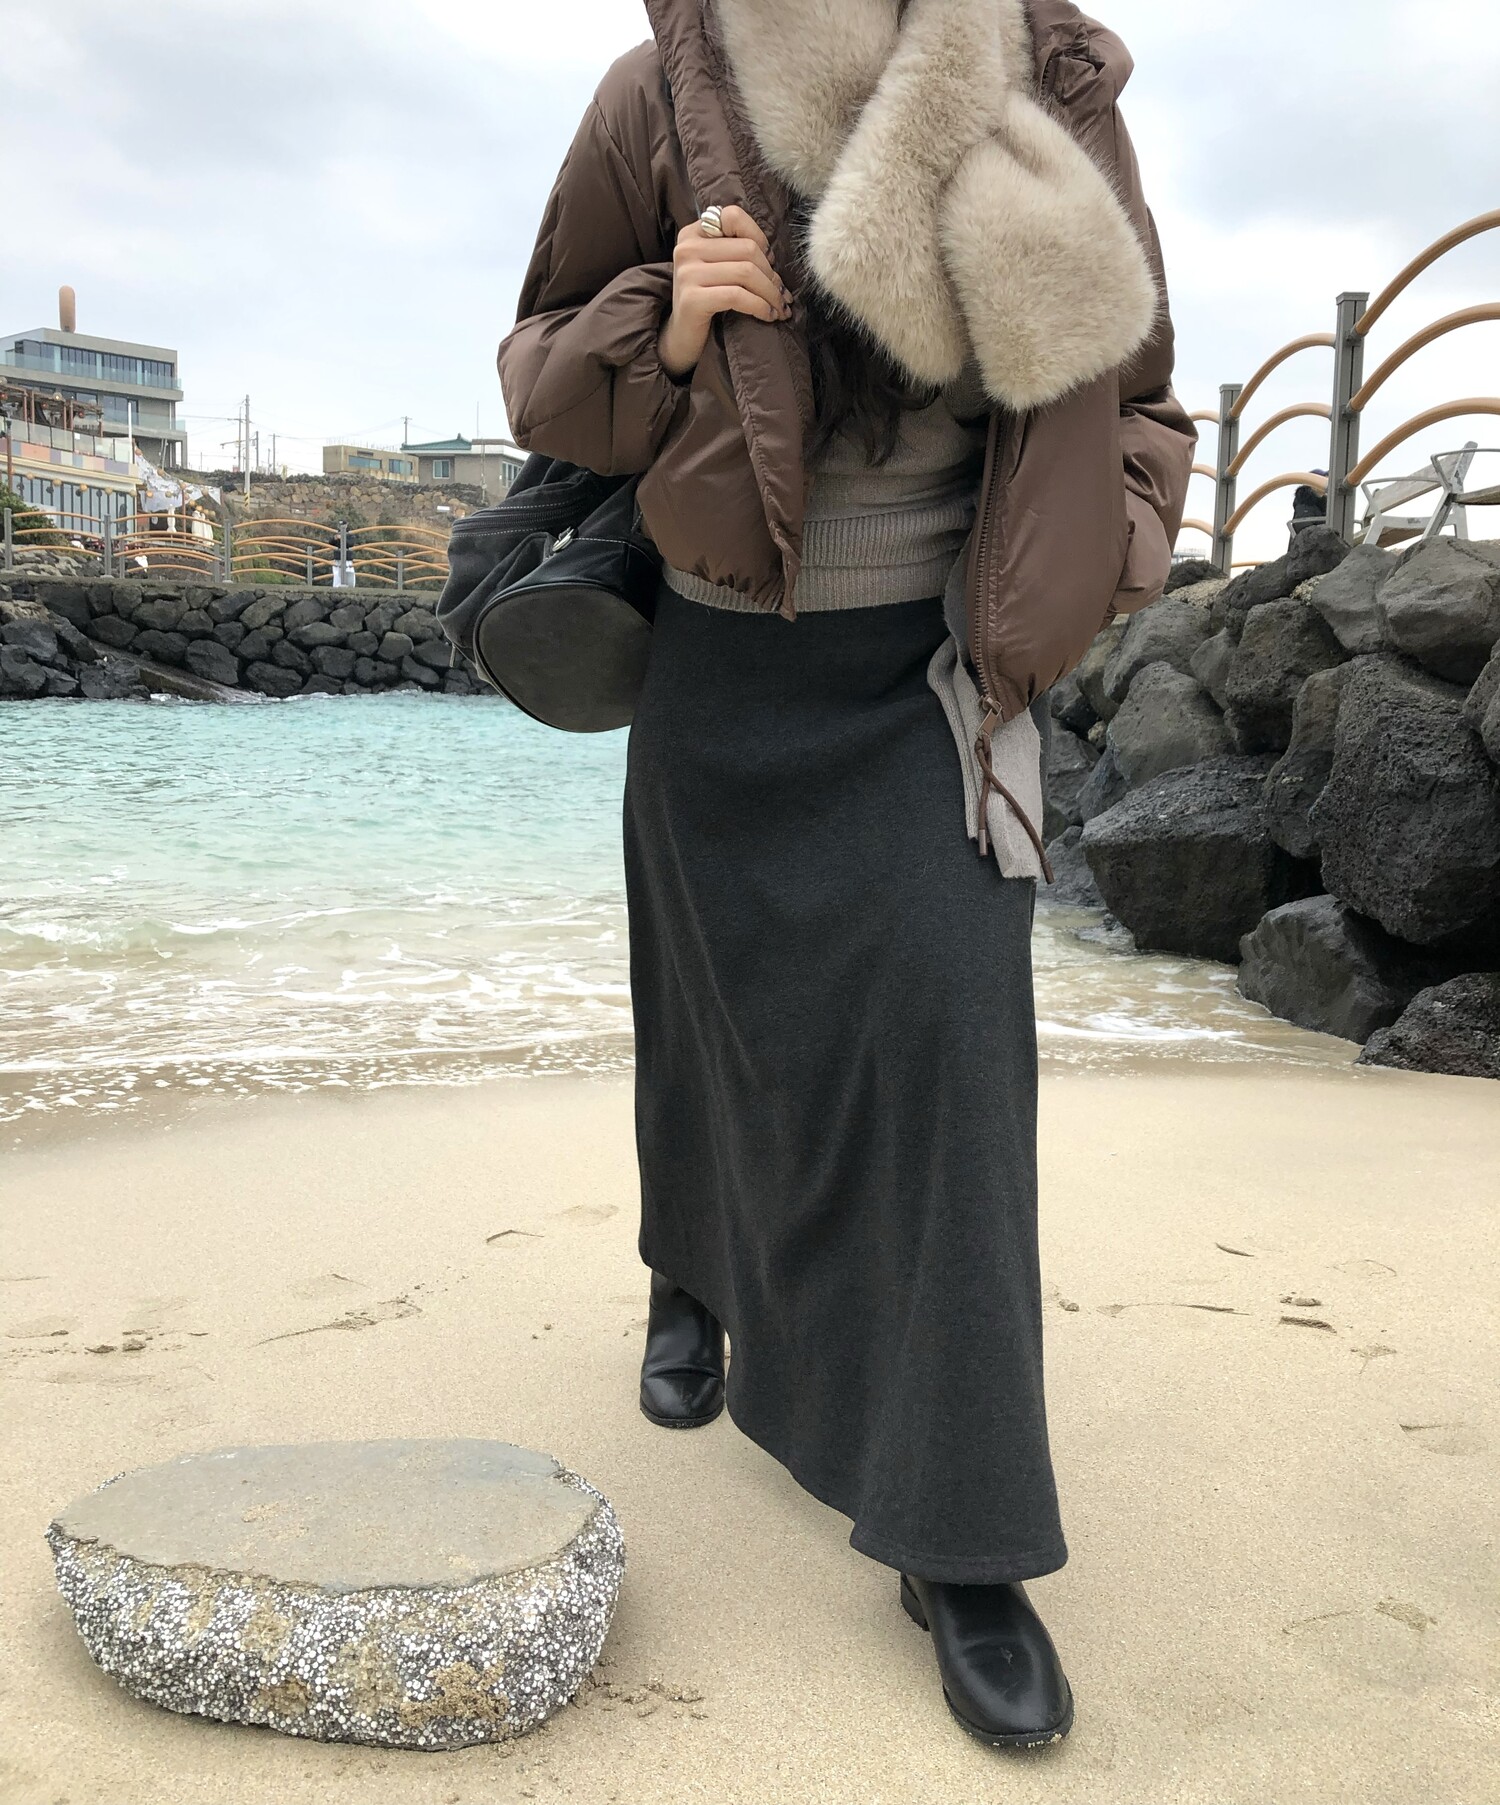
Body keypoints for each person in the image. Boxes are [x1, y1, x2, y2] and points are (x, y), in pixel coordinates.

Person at [499, 0, 1193, 1750]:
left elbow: (1142, 393)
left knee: (957, 1053)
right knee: (711, 1019)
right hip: (722, 660)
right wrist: (669, 318)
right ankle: (689, 1274)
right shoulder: (658, 88)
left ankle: (963, 1536)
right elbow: (537, 369)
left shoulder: (1050, 83)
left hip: (934, 667)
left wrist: (1098, 552)